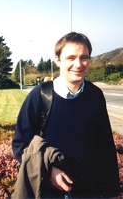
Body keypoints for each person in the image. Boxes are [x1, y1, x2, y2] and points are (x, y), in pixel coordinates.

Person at [11, 32, 120, 198]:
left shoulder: (95, 95)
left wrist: (112, 192)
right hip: (49, 191)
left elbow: (105, 147)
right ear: (58, 60)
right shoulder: (40, 95)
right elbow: (21, 143)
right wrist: (48, 171)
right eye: (71, 57)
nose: (78, 64)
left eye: (84, 57)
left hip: (88, 191)